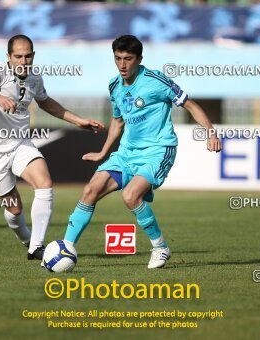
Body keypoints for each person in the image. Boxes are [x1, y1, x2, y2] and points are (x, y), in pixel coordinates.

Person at [61, 35, 222, 269]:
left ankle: (160, 247)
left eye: (128, 59)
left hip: (157, 151)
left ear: (139, 59)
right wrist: (103, 152)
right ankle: (66, 248)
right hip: (126, 153)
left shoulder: (156, 81)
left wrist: (211, 133)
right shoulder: (114, 85)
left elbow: (190, 105)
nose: (122, 65)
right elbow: (117, 121)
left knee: (130, 196)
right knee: (90, 190)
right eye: (118, 59)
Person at [0, 34, 104, 261]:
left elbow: (45, 102)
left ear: (33, 56)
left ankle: (37, 247)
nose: (23, 61)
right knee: (15, 210)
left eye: (28, 56)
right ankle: (27, 238)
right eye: (18, 56)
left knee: (44, 182)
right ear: (8, 56)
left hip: (19, 143)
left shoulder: (34, 77)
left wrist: (78, 121)